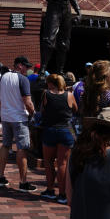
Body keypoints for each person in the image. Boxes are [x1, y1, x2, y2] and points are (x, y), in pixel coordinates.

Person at [0, 56, 37, 192]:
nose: (27, 69)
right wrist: (34, 114)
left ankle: (0, 177)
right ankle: (23, 182)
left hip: (6, 116)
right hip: (19, 118)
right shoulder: (23, 79)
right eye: (26, 66)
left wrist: (0, 113)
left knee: (5, 145)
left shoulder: (3, 77)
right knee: (22, 148)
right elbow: (28, 102)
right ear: (19, 65)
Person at [40, 73, 78, 203]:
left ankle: (50, 190)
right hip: (65, 131)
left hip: (50, 130)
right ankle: (62, 194)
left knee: (48, 162)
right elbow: (75, 110)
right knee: (63, 164)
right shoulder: (70, 95)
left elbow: (42, 111)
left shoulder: (46, 94)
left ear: (51, 83)